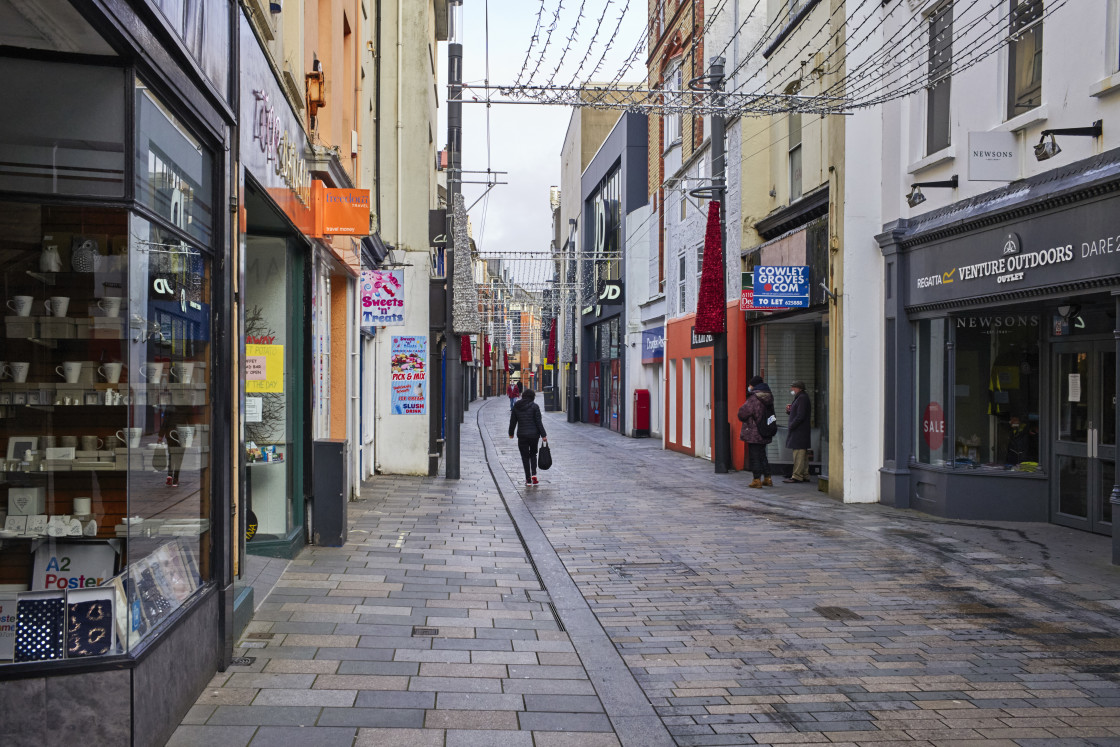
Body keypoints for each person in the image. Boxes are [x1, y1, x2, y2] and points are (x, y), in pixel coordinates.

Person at [737, 375, 774, 488]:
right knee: (762, 454)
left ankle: (756, 480)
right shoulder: (769, 396)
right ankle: (767, 478)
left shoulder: (754, 398)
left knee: (755, 456)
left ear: (754, 385)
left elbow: (743, 413)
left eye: (750, 385)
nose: (749, 387)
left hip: (754, 431)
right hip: (765, 430)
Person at [509, 388, 547, 486]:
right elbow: (539, 422)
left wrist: (511, 433)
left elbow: (513, 421)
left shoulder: (516, 406)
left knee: (525, 457)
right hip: (534, 436)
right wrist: (543, 435)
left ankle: (528, 479)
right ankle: (534, 475)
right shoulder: (535, 407)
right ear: (532, 397)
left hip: (522, 435)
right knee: (533, 454)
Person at [783, 380, 811, 483]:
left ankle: (797, 476)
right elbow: (798, 413)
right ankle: (805, 474)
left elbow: (800, 416)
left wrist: (791, 425)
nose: (792, 389)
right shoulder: (800, 398)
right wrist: (790, 411)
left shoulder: (802, 398)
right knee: (802, 454)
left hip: (799, 431)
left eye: (793, 387)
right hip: (800, 431)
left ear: (799, 388)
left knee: (799, 453)